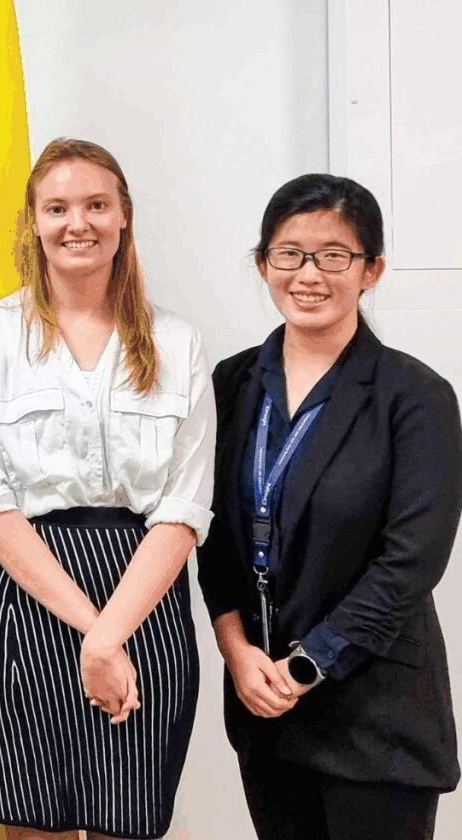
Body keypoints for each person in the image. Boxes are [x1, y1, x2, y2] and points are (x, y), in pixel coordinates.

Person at [0, 138, 213, 840]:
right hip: (24, 592)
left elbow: (183, 512)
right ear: (32, 222)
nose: (79, 223)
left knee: (127, 820)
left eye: (97, 204)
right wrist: (94, 637)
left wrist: (109, 635)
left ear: (124, 215)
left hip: (143, 595)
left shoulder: (178, 342)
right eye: (57, 207)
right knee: (34, 827)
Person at [197, 174, 460, 840]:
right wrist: (237, 653)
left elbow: (411, 563)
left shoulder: (415, 396)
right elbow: (212, 537)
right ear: (264, 263)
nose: (309, 273)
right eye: (290, 253)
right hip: (265, 711)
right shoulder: (229, 385)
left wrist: (310, 664)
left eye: (334, 255)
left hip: (377, 720)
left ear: (370, 269)